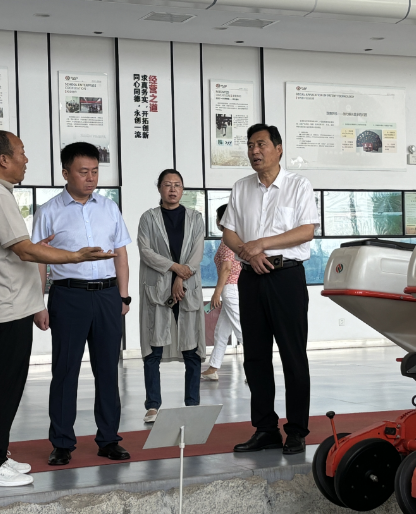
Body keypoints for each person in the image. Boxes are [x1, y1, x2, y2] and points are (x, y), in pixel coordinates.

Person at [0, 131, 115, 486]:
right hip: (7, 305)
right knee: (3, 387)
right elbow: (24, 250)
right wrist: (74, 256)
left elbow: (14, 248)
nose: (26, 160)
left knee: (1, 385)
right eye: (21, 153)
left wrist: (37, 248)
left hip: (1, 303)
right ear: (3, 159)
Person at [31, 142, 133, 467]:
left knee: (108, 370)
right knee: (65, 370)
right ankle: (62, 443)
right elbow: (38, 261)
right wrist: (38, 303)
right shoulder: (48, 211)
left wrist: (123, 295)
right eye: (83, 172)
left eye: (95, 171)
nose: (91, 178)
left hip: (107, 296)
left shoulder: (109, 208)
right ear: (65, 173)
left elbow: (121, 254)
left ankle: (109, 439)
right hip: (68, 296)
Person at [221, 124, 320, 455]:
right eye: (250, 145)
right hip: (251, 278)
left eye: (261, 144)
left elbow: (306, 231)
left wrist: (261, 244)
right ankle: (265, 429)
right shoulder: (241, 187)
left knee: (293, 355)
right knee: (255, 357)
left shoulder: (298, 185)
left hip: (285, 277)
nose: (254, 151)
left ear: (278, 149)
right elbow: (229, 232)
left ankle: (297, 431)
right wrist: (249, 253)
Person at [137, 169, 206, 423]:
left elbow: (197, 253)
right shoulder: (148, 218)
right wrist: (175, 268)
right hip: (158, 290)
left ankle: (192, 404)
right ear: (159, 188)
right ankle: (153, 405)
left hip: (187, 288)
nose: (173, 189)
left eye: (177, 185)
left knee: (192, 349)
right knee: (153, 349)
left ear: (183, 189)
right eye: (167, 184)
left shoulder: (196, 218)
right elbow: (145, 251)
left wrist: (180, 277)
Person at [202, 204, 242, 381]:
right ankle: (213, 368)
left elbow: (226, 268)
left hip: (230, 288)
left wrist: (216, 293)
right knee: (221, 331)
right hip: (233, 288)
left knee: (241, 330)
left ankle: (257, 369)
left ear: (220, 221)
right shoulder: (236, 237)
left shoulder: (228, 240)